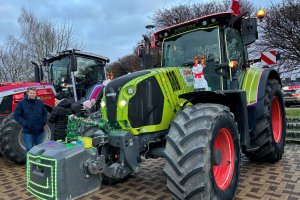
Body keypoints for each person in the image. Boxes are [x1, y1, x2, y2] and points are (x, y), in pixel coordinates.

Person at [14, 87, 47, 152]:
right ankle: (29, 162)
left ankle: (38, 162)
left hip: (39, 130)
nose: (32, 94)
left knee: (39, 149)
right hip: (28, 131)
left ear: (36, 93)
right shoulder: (21, 103)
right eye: (31, 93)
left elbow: (44, 114)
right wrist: (25, 124)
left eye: (34, 93)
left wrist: (42, 122)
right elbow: (17, 116)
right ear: (27, 93)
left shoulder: (40, 102)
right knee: (29, 149)